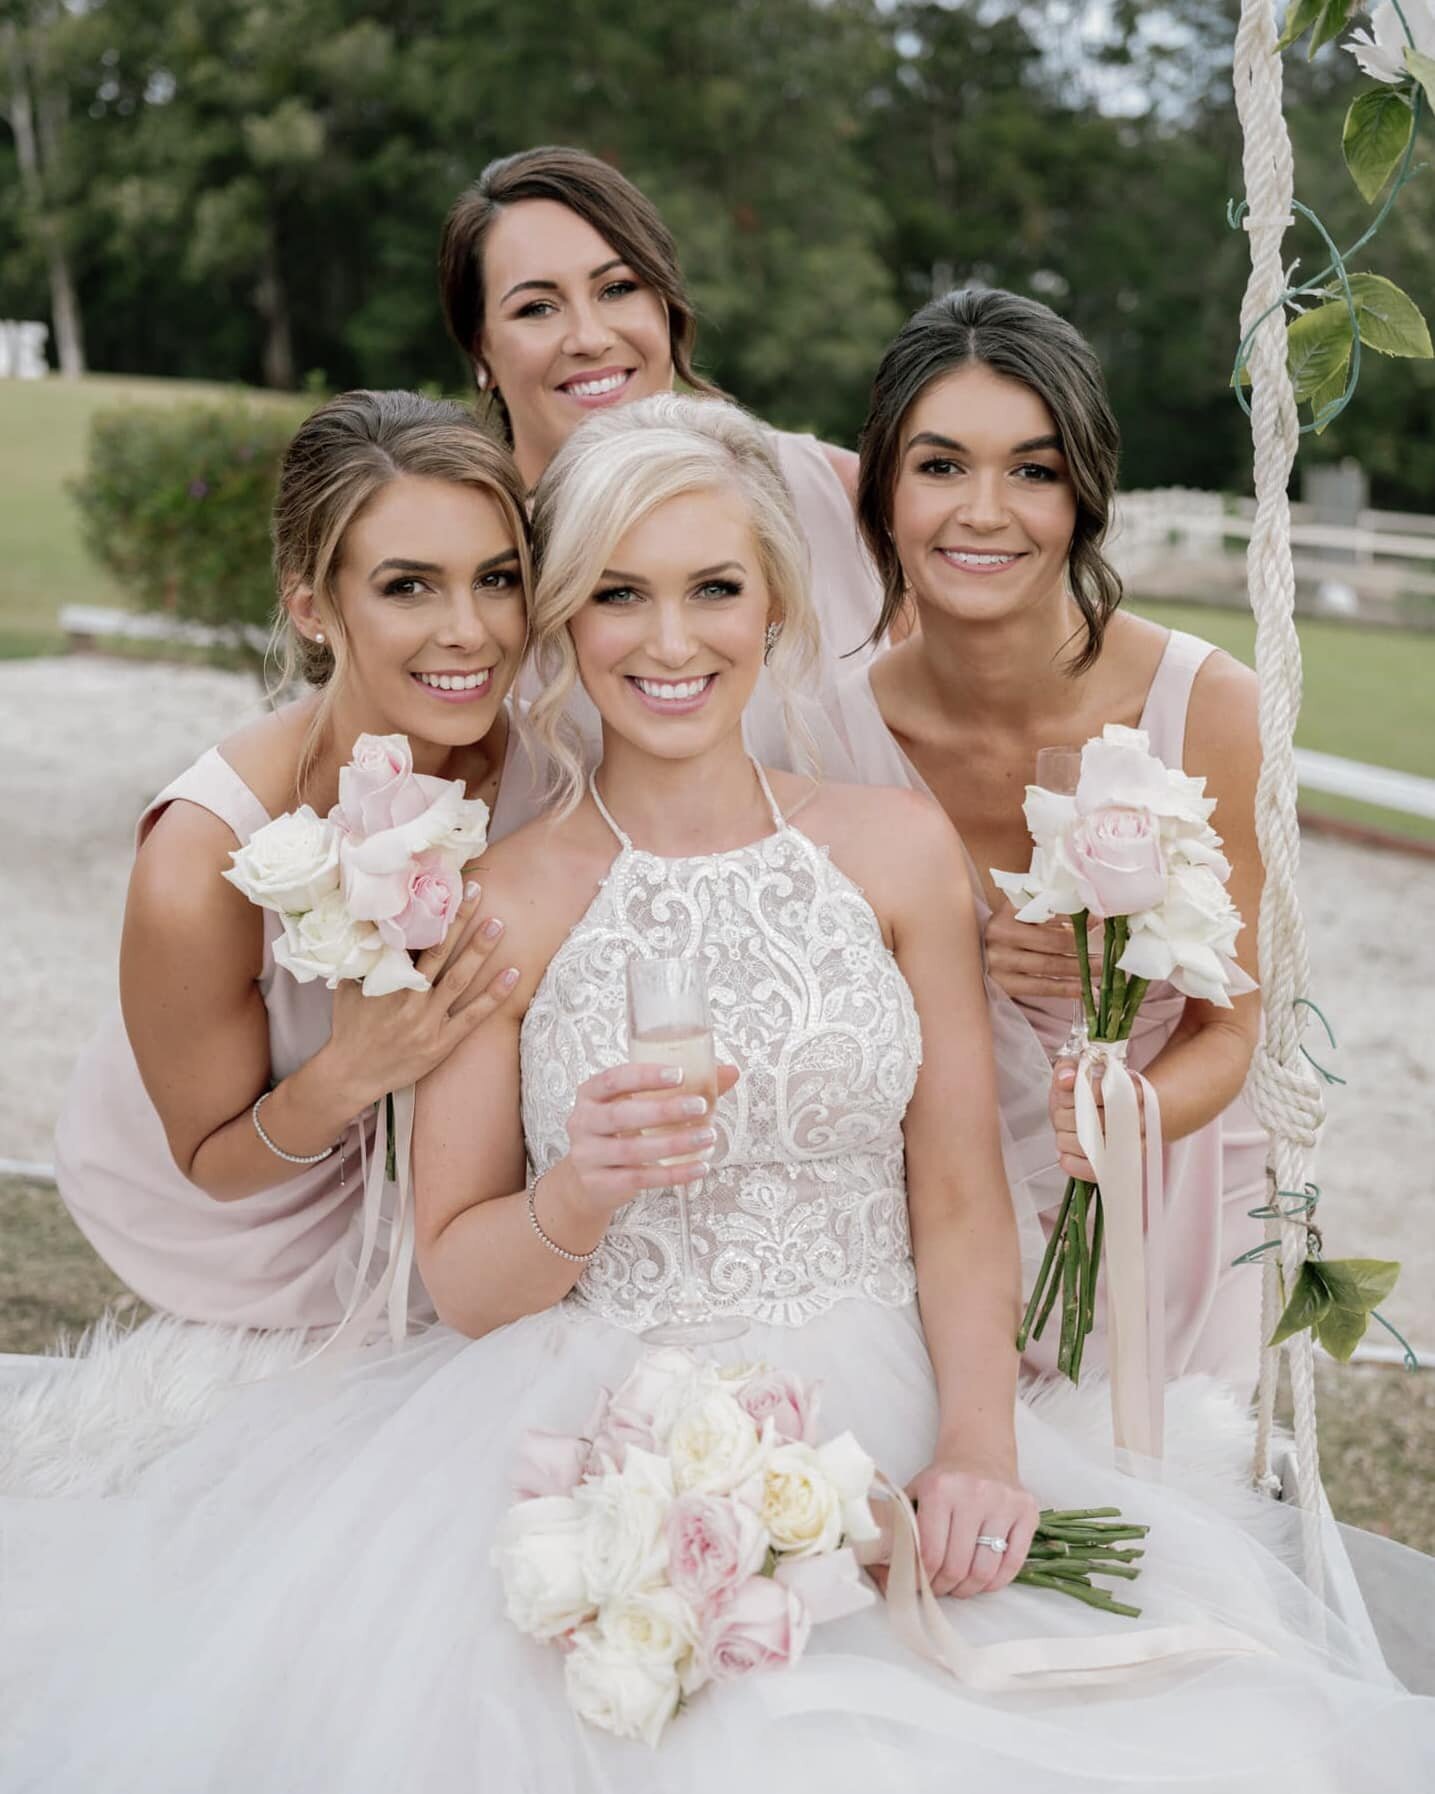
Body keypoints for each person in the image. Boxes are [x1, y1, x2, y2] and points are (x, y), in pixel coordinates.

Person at [5, 395, 1430, 1793]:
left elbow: (951, 1188)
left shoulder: (895, 850)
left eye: (714, 589)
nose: (669, 639)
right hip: (584, 1416)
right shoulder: (496, 898)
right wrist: (576, 1194)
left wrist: (981, 1447)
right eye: (618, 593)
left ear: (775, 614)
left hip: (887, 1398)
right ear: (562, 620)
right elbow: (464, 1273)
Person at [828, 289, 1267, 1389]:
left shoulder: (1208, 711)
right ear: (883, 492)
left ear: (1083, 495)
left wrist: (1130, 1108)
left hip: (1152, 1210)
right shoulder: (827, 732)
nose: (984, 511)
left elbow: (1234, 1025)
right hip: (913, 1235)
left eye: (1032, 470)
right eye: (939, 467)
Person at [53, 391, 538, 1332]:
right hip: (253, 1230)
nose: (470, 630)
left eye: (497, 578)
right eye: (407, 586)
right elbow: (210, 1159)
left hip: (484, 1206)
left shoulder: (555, 768)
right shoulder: (202, 856)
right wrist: (350, 1072)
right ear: (313, 606)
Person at [436, 142, 885, 724]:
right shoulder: (467, 565)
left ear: (667, 306)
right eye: (538, 308)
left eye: (617, 289)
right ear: (481, 351)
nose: (589, 337)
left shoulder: (842, 497)